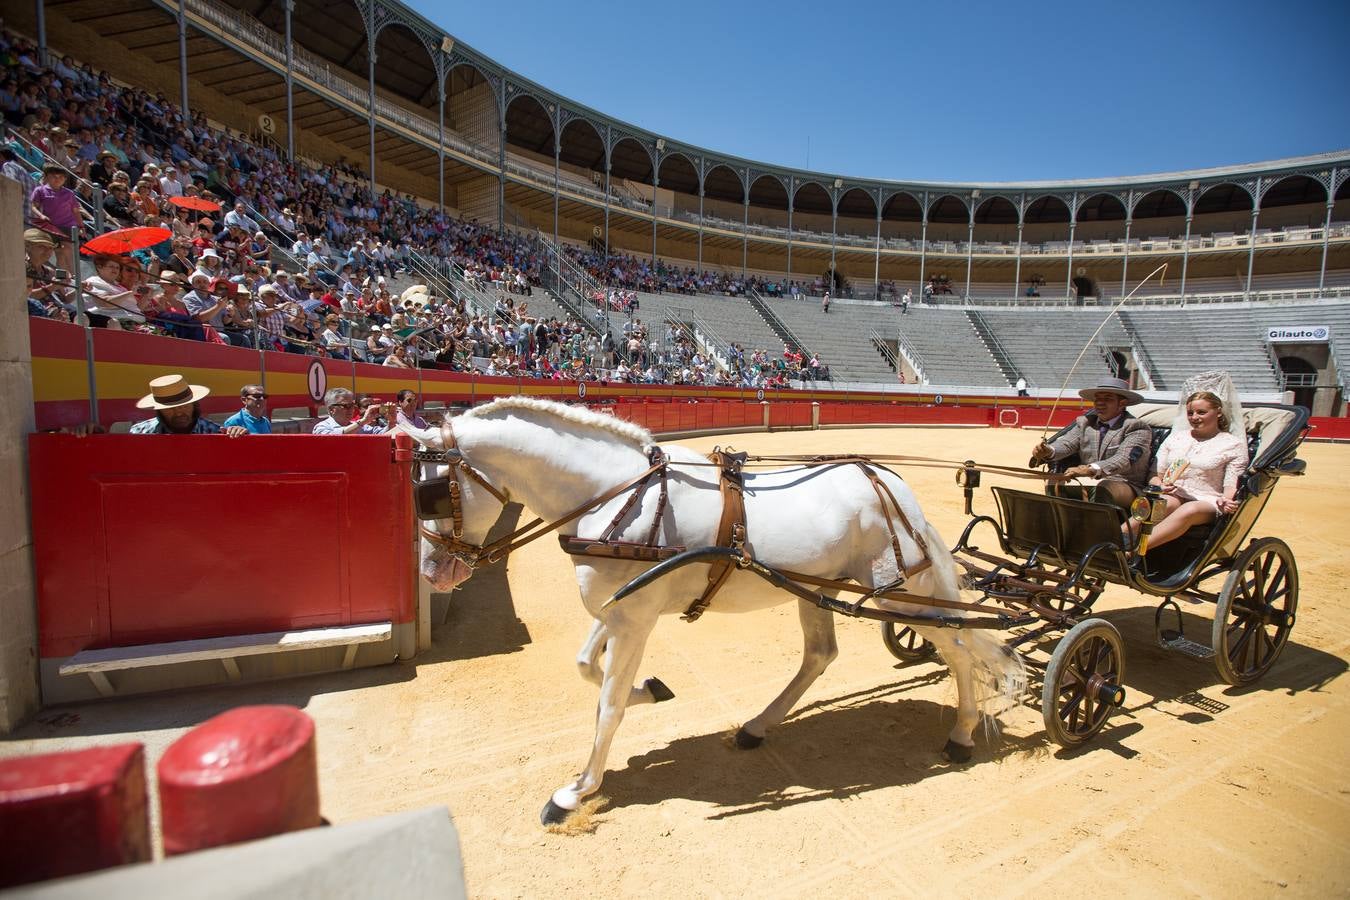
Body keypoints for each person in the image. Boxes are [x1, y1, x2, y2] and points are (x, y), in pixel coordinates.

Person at [1126, 372, 1248, 551]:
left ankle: (1135, 550)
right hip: (1174, 495)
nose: (1194, 417)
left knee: (1189, 510)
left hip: (1207, 501)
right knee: (1159, 503)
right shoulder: (1176, 438)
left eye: (1201, 412)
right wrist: (1160, 486)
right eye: (1190, 413)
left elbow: (1231, 483)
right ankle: (1117, 538)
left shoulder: (1232, 444)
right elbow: (1155, 474)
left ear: (1218, 412)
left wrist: (1226, 500)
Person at [1030, 376, 1151, 507]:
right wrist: (1049, 450)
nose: (1100, 403)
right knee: (1055, 482)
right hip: (1088, 480)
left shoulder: (1137, 428)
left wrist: (1090, 469)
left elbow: (1124, 459)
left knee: (1105, 487)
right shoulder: (1085, 423)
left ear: (1122, 403)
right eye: (1097, 399)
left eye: (1107, 399)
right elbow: (1067, 443)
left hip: (1125, 484)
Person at [129, 374, 246, 436]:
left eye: (184, 406)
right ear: (159, 411)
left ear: (194, 405)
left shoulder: (214, 432)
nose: (179, 413)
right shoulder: (139, 432)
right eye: (170, 409)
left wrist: (240, 435)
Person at [312, 388, 389, 435]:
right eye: (346, 406)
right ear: (331, 409)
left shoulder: (360, 426)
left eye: (352, 405)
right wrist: (362, 422)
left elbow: (384, 433)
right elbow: (334, 438)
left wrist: (391, 422)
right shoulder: (322, 427)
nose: (351, 409)